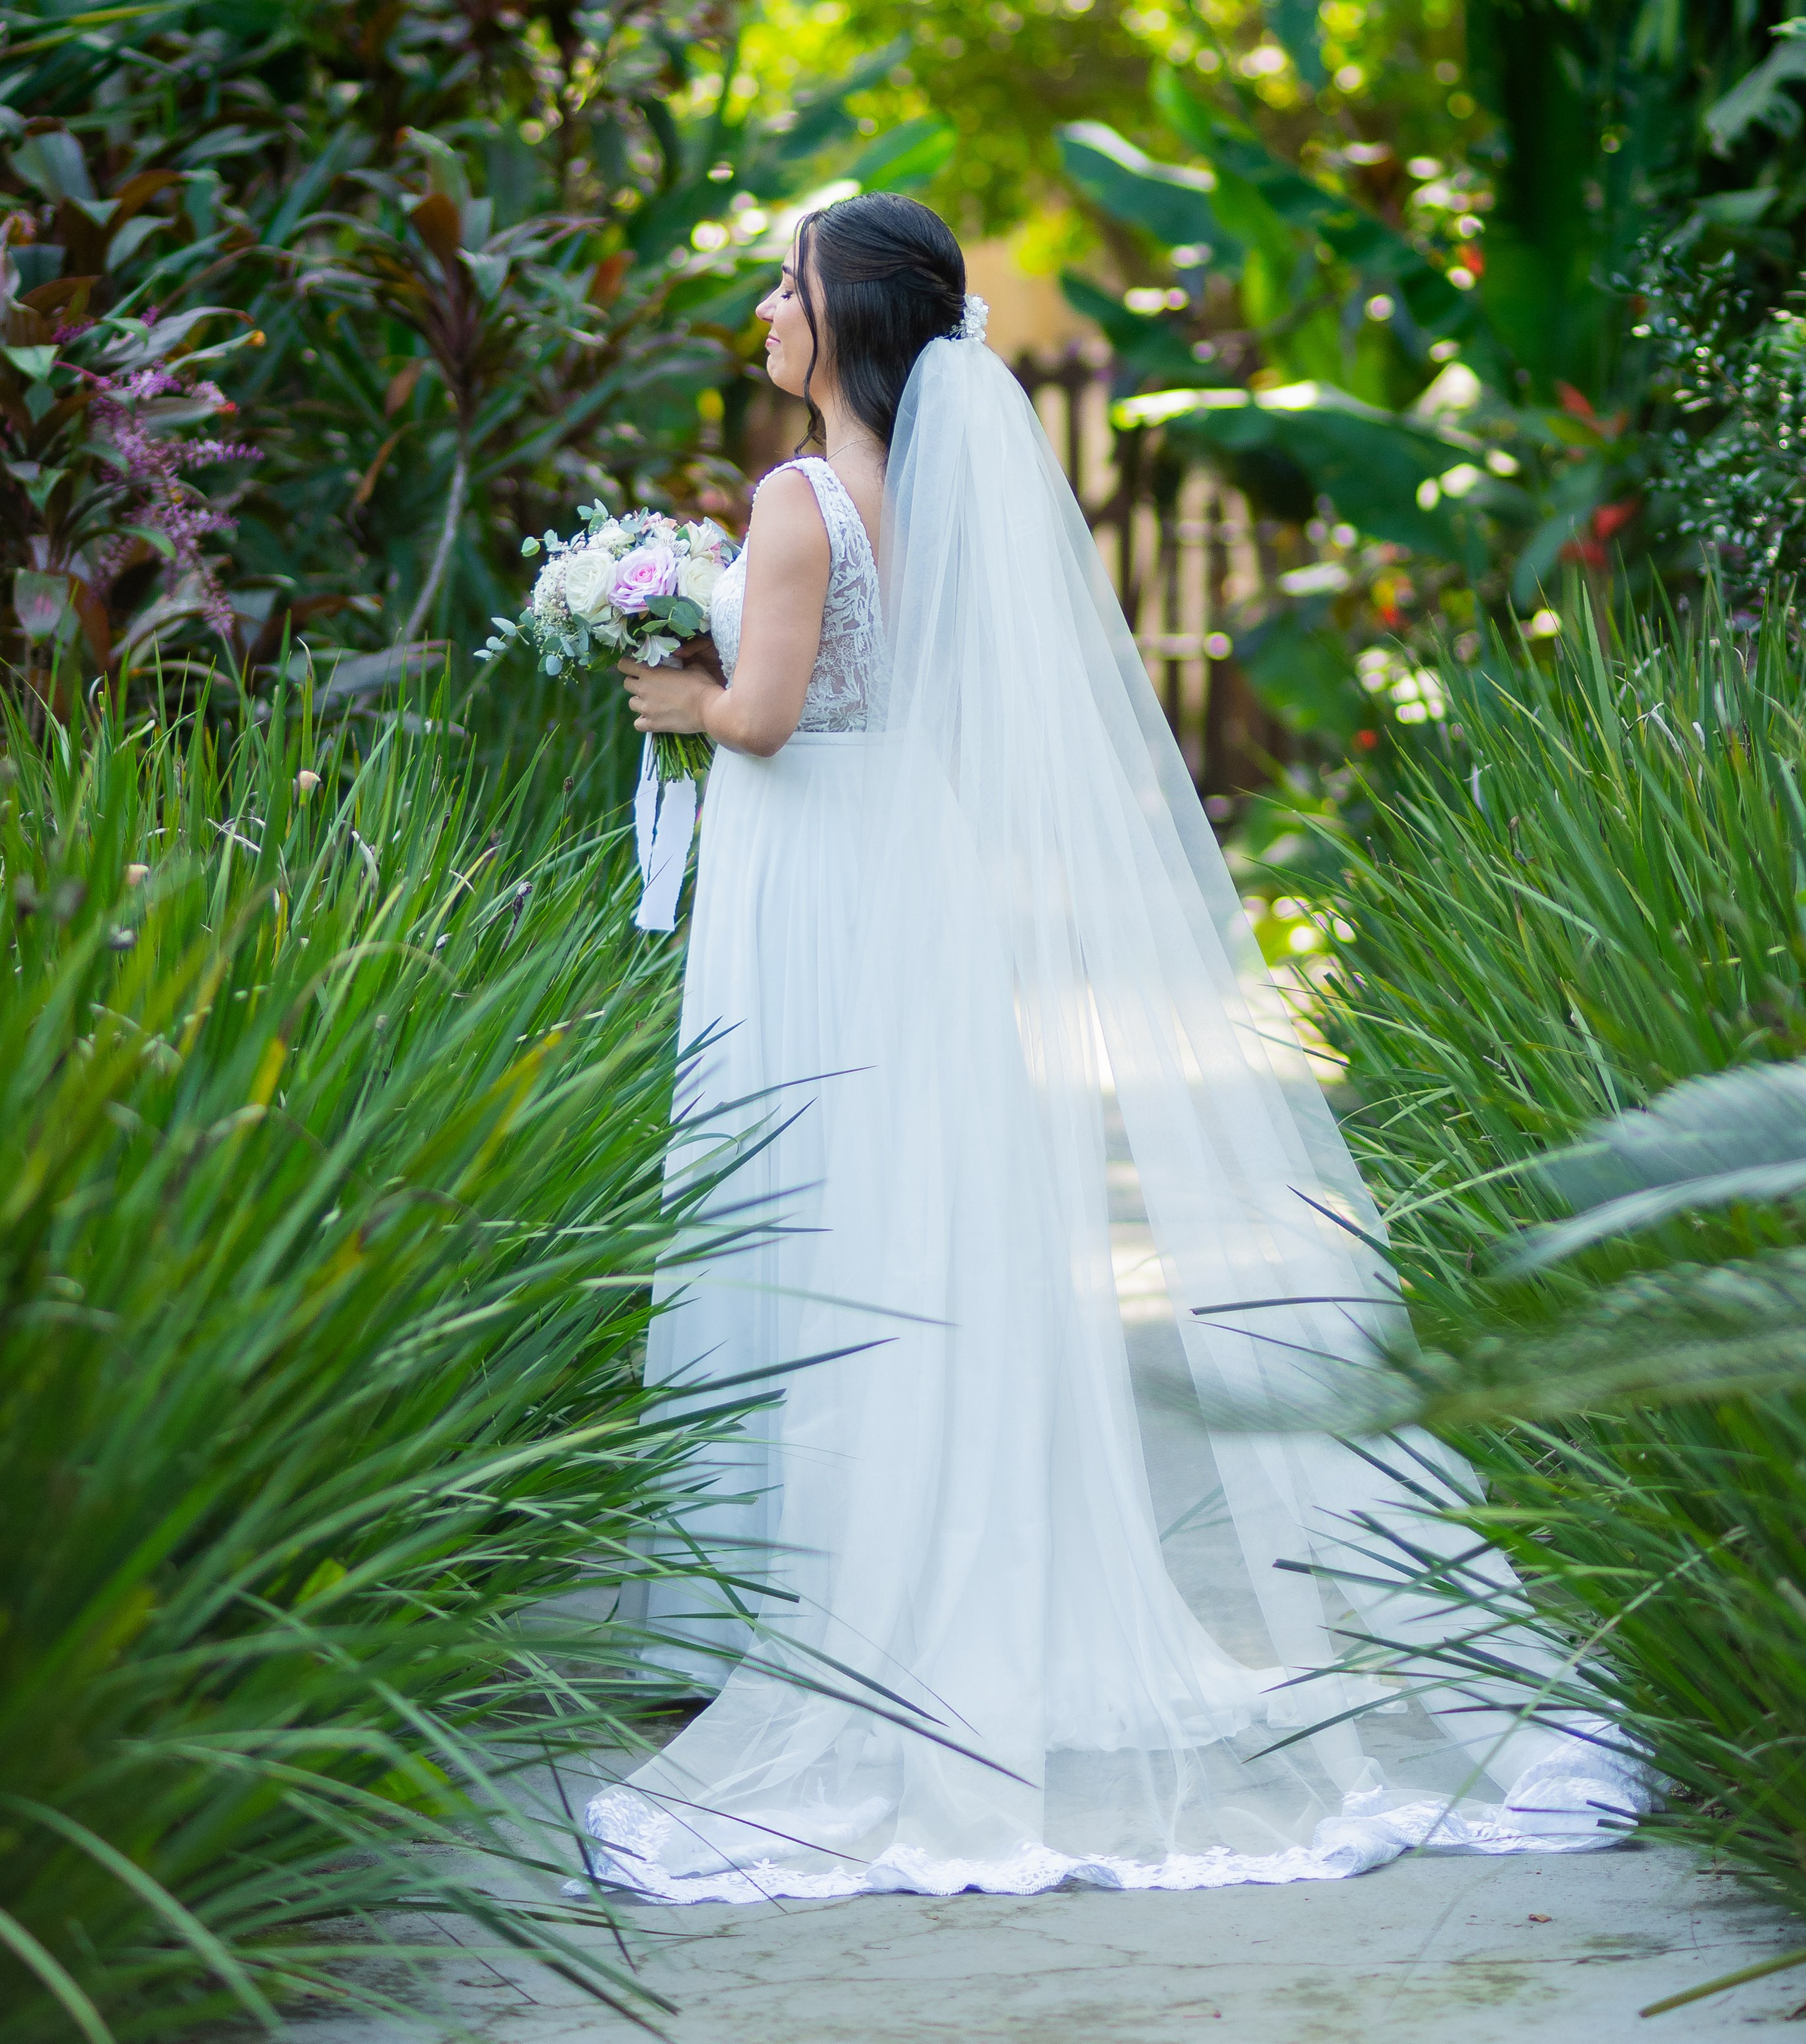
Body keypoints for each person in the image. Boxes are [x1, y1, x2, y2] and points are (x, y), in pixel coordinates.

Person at [590, 192, 1641, 1905]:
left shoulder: (793, 501)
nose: (764, 320)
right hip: (914, 900)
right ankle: (929, 1591)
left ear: (840, 322)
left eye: (782, 294)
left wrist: (674, 696)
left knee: (810, 1218)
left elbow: (769, 718)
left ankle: (829, 1615)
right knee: (914, 1227)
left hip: (818, 893)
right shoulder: (931, 503)